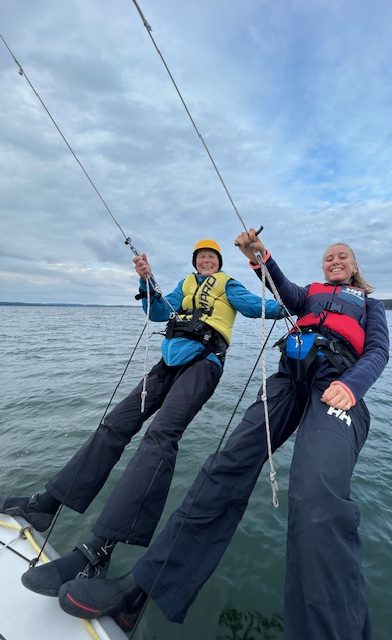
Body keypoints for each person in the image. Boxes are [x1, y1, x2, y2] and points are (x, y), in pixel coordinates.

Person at [56, 232, 389, 640]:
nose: (335, 260)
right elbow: (283, 292)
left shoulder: (370, 305)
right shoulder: (310, 294)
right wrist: (261, 257)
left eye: (342, 256)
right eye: (329, 257)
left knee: (316, 490)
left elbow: (378, 352)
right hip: (288, 380)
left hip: (337, 385)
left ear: (354, 266)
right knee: (224, 469)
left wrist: (353, 385)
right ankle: (140, 589)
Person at [0, 238, 283, 604]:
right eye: (201, 257)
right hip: (168, 363)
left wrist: (290, 302)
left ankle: (100, 549)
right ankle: (46, 504)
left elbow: (261, 307)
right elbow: (158, 312)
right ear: (195, 262)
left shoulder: (229, 286)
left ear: (219, 262)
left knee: (160, 436)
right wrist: (146, 280)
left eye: (212, 257)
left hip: (204, 364)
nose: (206, 261)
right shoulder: (184, 285)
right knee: (115, 424)